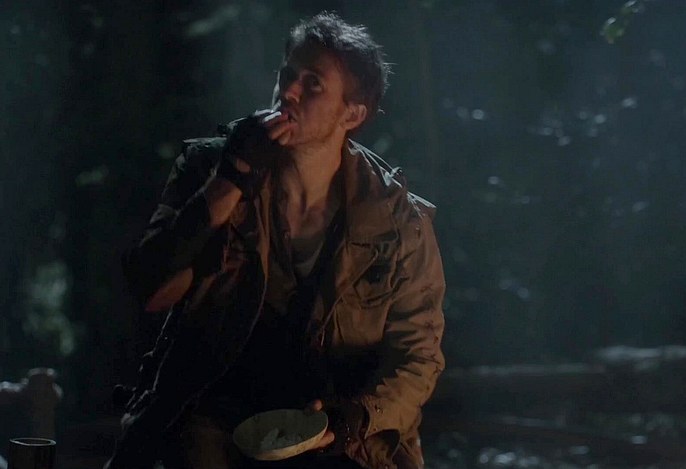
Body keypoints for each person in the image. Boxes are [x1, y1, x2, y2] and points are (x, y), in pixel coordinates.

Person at [106, 12, 445, 469]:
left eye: (313, 84)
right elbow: (153, 289)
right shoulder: (212, 167)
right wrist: (231, 178)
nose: (289, 92)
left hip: (332, 427)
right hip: (213, 419)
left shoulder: (399, 219)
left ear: (352, 113)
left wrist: (355, 419)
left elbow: (418, 357)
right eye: (288, 75)